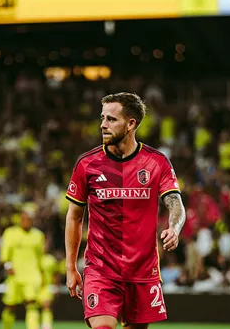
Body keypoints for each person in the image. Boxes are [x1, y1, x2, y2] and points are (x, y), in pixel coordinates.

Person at [64, 92, 186, 329]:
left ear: (131, 124)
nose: (103, 124)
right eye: (102, 118)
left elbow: (175, 203)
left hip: (142, 272)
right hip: (101, 270)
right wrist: (70, 268)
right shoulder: (87, 164)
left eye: (111, 119)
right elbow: (74, 217)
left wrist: (175, 227)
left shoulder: (156, 162)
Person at [0, 209, 45, 329]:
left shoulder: (38, 235)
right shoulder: (10, 233)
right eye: (24, 219)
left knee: (31, 304)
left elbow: (40, 256)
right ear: (20, 220)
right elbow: (4, 254)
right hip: (14, 274)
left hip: (32, 275)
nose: (26, 222)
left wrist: (42, 273)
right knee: (10, 305)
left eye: (28, 219)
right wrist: (8, 266)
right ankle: (6, 327)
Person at [39, 242, 59, 329]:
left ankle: (46, 326)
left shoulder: (51, 260)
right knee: (32, 307)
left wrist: (55, 286)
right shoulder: (34, 257)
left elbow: (55, 274)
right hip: (34, 285)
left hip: (46, 287)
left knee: (46, 306)